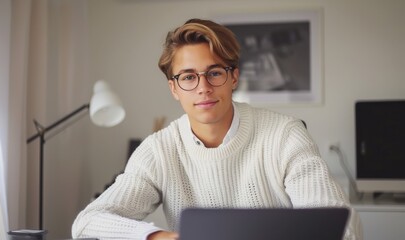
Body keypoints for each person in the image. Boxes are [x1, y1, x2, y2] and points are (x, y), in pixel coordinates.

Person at [72, 18, 362, 240]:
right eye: (188, 77)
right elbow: (87, 222)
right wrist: (155, 236)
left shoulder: (284, 135)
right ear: (174, 88)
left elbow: (344, 227)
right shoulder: (159, 150)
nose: (203, 88)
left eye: (214, 73)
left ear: (234, 76)